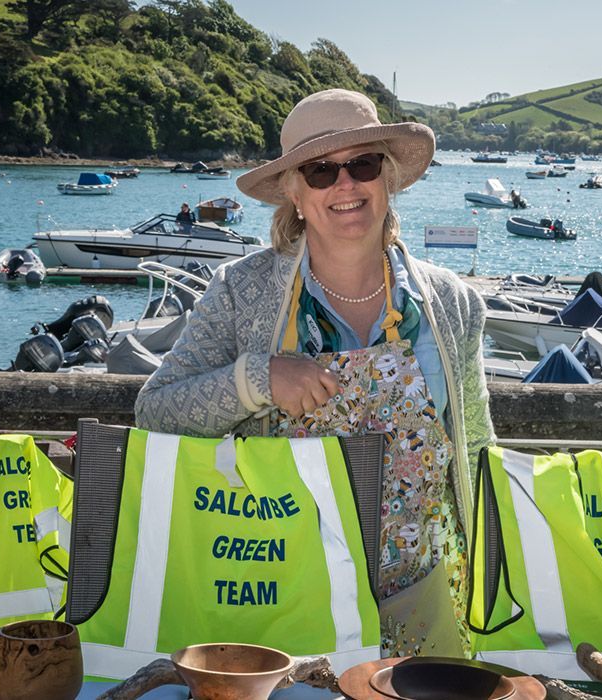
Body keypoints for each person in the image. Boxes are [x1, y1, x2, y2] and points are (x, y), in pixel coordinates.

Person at [134, 88, 494, 656]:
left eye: (363, 164)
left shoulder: (452, 303)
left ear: (389, 178)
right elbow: (154, 412)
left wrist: (497, 577)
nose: (345, 184)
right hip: (281, 593)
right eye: (321, 171)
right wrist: (256, 380)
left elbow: (480, 454)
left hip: (422, 595)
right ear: (295, 195)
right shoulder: (240, 292)